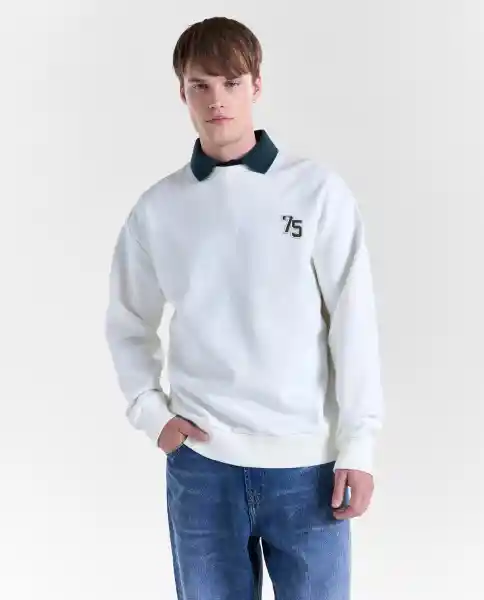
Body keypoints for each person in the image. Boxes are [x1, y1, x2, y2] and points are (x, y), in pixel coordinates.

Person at [104, 15, 384, 600]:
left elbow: (353, 325)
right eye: (200, 85)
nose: (217, 100)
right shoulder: (158, 209)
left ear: (256, 84)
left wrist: (358, 446)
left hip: (307, 468)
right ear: (182, 92)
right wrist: (152, 414)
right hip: (202, 469)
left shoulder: (317, 192)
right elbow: (128, 322)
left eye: (231, 83)